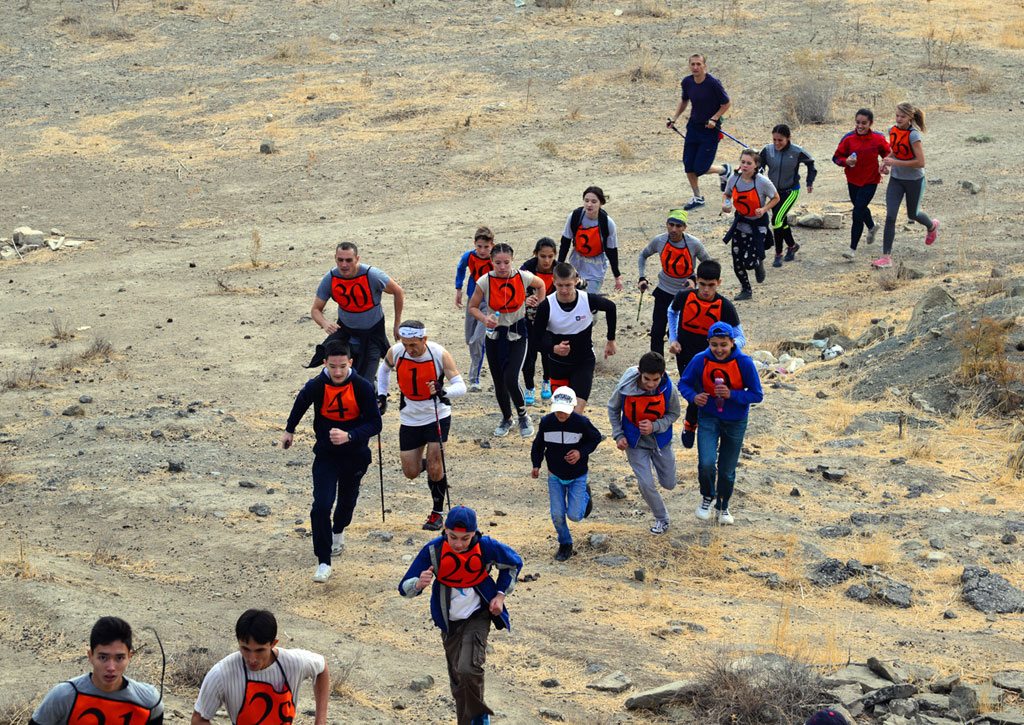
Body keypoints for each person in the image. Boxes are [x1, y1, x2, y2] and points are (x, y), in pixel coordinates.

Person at [398, 506, 523, 725]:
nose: (458, 544)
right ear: (444, 530)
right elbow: (404, 587)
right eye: (453, 537)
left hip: (478, 616)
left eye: (465, 538)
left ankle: (479, 717)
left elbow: (513, 563)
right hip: (448, 622)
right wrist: (419, 583)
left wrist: (500, 596)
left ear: (474, 533)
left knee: (469, 668)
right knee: (458, 680)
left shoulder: (486, 547)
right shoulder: (433, 551)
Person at [282, 339, 382, 582]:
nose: (337, 372)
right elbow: (301, 403)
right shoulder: (317, 385)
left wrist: (350, 435)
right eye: (333, 366)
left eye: (342, 367)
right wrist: (289, 430)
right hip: (326, 455)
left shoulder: (362, 387)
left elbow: (375, 424)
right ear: (325, 363)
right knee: (321, 506)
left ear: (350, 363)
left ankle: (339, 531)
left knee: (346, 504)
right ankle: (323, 561)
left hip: (355, 455)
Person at [377, 320, 467, 531]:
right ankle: (435, 465)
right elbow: (384, 370)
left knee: (435, 466)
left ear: (424, 339)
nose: (409, 349)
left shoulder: (439, 354)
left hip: (437, 415)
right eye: (406, 344)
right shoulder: (397, 351)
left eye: (413, 345)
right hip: (410, 417)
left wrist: (443, 391)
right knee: (411, 471)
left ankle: (437, 512)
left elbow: (461, 387)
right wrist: (382, 395)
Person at [677, 322, 763, 525]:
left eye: (723, 344)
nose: (719, 349)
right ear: (708, 342)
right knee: (706, 463)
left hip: (736, 420)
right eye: (714, 344)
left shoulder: (744, 362)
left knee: (727, 469)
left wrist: (732, 394)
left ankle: (723, 506)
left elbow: (757, 394)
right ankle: (707, 496)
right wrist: (694, 397)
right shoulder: (700, 359)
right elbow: (684, 383)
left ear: (733, 343)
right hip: (708, 416)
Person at [192, 609, 329, 725]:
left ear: (273, 644)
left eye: (259, 650)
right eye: (245, 649)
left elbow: (322, 668)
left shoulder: (294, 663)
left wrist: (320, 720)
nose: (252, 659)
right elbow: (198, 719)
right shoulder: (222, 673)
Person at [468, 243, 547, 438]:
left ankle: (523, 416)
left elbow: (541, 285)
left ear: (512, 261)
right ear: (491, 262)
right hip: (494, 336)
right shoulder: (484, 281)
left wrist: (539, 307)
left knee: (511, 377)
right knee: (498, 381)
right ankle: (506, 418)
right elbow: (473, 307)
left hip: (518, 333)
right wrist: (484, 319)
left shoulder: (522, 276)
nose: (502, 267)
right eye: (497, 263)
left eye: (506, 263)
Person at [666, 259, 745, 447]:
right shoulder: (684, 297)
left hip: (711, 359)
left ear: (719, 283)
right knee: (692, 391)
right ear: (697, 280)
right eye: (702, 284)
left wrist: (726, 350)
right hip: (685, 354)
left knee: (707, 393)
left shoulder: (725, 307)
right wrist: (673, 338)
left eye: (711, 285)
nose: (706, 290)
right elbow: (672, 311)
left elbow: (740, 336)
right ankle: (690, 424)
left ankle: (702, 429)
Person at [31, 617, 163, 725]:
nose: (111, 667)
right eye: (103, 657)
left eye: (119, 658)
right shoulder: (64, 696)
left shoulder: (149, 702)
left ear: (129, 656)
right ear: (91, 656)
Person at [308, 242, 404, 382]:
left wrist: (397, 324)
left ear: (357, 259)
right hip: (346, 334)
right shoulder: (331, 278)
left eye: (348, 260)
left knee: (365, 381)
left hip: (373, 335)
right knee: (343, 376)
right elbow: (316, 309)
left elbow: (398, 291)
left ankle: (374, 393)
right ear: (335, 258)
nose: (344, 265)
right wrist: (324, 323)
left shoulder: (371, 275)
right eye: (340, 260)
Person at [607, 352, 681, 535]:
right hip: (635, 442)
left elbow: (674, 413)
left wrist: (655, 426)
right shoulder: (626, 386)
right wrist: (618, 435)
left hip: (661, 441)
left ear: (662, 374)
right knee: (646, 483)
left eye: (655, 379)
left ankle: (658, 467)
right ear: (640, 372)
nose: (650, 384)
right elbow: (613, 408)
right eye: (647, 379)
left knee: (669, 483)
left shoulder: (667, 388)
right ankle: (661, 519)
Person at [532, 262, 617, 414]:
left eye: (568, 285)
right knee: (561, 413)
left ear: (576, 281)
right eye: (560, 285)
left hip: (583, 362)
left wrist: (610, 340)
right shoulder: (547, 306)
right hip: (557, 364)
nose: (564, 290)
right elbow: (535, 340)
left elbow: (611, 307)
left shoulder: (588, 299)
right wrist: (554, 348)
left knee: (576, 412)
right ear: (553, 282)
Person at [530, 386, 603, 561]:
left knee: (575, 515)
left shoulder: (581, 423)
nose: (561, 415)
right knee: (557, 514)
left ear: (572, 407)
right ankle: (565, 543)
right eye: (558, 411)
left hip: (577, 476)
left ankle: (585, 495)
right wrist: (536, 464)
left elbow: (595, 438)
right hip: (554, 475)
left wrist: (580, 452)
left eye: (564, 411)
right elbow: (538, 445)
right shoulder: (547, 422)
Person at [637, 208, 712, 356]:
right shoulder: (659, 240)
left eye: (678, 226)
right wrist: (642, 277)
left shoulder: (694, 244)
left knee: (680, 335)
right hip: (663, 291)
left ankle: (684, 366)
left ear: (684, 227)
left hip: (685, 295)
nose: (674, 229)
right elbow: (643, 255)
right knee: (656, 332)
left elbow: (709, 266)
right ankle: (656, 368)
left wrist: (694, 280)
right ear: (666, 224)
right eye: (671, 224)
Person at [667, 53, 734, 212]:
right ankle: (698, 197)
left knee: (700, 168)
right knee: (688, 165)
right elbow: (684, 100)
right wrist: (674, 118)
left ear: (704, 66)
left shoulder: (713, 83)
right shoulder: (687, 82)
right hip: (693, 128)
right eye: (693, 64)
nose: (695, 67)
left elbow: (726, 103)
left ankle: (724, 170)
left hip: (709, 131)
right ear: (689, 65)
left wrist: (715, 118)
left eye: (698, 64)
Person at [878, 102, 939, 269]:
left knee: (913, 214)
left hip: (914, 181)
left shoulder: (914, 136)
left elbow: (920, 162)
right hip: (896, 180)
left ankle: (932, 226)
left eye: (902, 116)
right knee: (890, 216)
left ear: (910, 117)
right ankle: (886, 257)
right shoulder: (892, 130)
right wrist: (885, 162)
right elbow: (896, 149)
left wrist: (895, 162)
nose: (898, 119)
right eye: (897, 115)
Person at [721, 148, 781, 301]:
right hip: (740, 224)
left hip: (758, 226)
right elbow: (727, 194)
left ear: (756, 165)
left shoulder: (762, 181)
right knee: (737, 261)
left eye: (749, 163)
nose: (745, 166)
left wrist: (764, 209)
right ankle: (746, 289)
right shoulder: (733, 179)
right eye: (743, 162)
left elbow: (775, 198)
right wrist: (726, 204)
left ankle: (758, 263)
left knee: (749, 261)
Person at [832, 108, 891, 262]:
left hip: (871, 180)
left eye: (864, 123)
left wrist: (885, 165)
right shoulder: (848, 139)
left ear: (871, 123)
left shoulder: (878, 139)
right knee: (860, 207)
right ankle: (871, 226)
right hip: (852, 181)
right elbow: (836, 157)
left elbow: (888, 154)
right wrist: (846, 162)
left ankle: (852, 249)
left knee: (857, 212)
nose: (860, 126)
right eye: (858, 122)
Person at [758, 124, 817, 268]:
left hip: (790, 191)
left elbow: (811, 163)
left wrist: (809, 181)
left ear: (788, 138)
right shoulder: (767, 149)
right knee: (782, 221)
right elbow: (760, 164)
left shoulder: (797, 151)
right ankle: (792, 245)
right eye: (774, 140)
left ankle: (778, 254)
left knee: (776, 220)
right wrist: (759, 170)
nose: (777, 143)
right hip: (773, 192)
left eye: (780, 140)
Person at [557, 186, 623, 293]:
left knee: (589, 301)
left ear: (601, 203)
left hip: (596, 267)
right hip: (576, 264)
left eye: (593, 202)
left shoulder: (607, 223)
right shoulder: (575, 216)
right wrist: (559, 266)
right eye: (586, 201)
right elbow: (565, 242)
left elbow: (612, 251)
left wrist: (617, 276)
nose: (589, 205)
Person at [455, 227, 495, 391]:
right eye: (479, 246)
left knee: (477, 339)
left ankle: (474, 379)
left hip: (489, 301)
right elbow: (460, 268)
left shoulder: (495, 259)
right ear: (474, 244)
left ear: (492, 245)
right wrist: (459, 289)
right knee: (469, 339)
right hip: (473, 299)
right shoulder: (469, 256)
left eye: (486, 247)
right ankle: (477, 368)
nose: (483, 250)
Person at [520, 237, 558, 405]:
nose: (547, 260)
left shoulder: (559, 269)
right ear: (536, 254)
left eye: (550, 256)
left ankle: (546, 380)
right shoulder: (526, 269)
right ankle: (529, 386)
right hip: (527, 318)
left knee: (548, 352)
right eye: (543, 256)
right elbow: (513, 289)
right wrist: (524, 301)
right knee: (528, 355)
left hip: (551, 319)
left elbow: (576, 284)